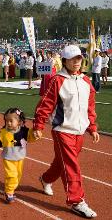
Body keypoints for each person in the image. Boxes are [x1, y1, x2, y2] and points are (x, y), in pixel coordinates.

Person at [33, 45, 100, 218]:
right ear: (64, 61)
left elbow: (90, 107)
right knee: (71, 165)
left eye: (79, 58)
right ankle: (76, 201)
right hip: (62, 129)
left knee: (62, 161)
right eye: (72, 59)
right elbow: (45, 104)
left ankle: (46, 179)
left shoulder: (86, 81)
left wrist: (92, 127)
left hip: (79, 131)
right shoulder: (57, 80)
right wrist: (38, 125)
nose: (77, 62)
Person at [0, 108, 37, 203]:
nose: (8, 123)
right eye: (6, 120)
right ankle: (9, 192)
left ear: (19, 122)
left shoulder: (24, 131)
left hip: (20, 158)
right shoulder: (4, 132)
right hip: (8, 158)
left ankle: (10, 187)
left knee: (18, 176)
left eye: (11, 121)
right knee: (12, 175)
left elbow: (31, 137)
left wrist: (36, 135)